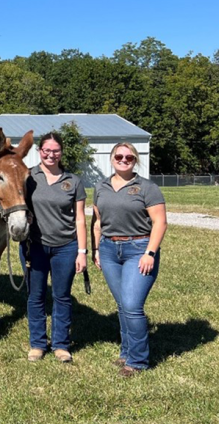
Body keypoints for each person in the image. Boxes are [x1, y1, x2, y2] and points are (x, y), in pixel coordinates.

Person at [93, 142, 167, 377]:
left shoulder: (147, 187)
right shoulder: (100, 187)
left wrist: (150, 253)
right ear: (112, 158)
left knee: (133, 306)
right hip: (108, 249)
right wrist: (96, 249)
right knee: (123, 305)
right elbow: (97, 221)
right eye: (119, 156)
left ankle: (138, 361)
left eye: (129, 157)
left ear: (135, 160)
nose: (124, 160)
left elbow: (160, 222)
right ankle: (126, 352)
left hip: (139, 248)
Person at [22, 132, 87, 363]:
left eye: (55, 151)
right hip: (35, 246)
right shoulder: (28, 176)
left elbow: (79, 218)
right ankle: (38, 344)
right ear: (39, 151)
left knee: (62, 296)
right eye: (46, 150)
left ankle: (61, 345)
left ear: (61, 153)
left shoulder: (73, 181)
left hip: (66, 247)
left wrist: (82, 251)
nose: (51, 154)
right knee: (36, 296)